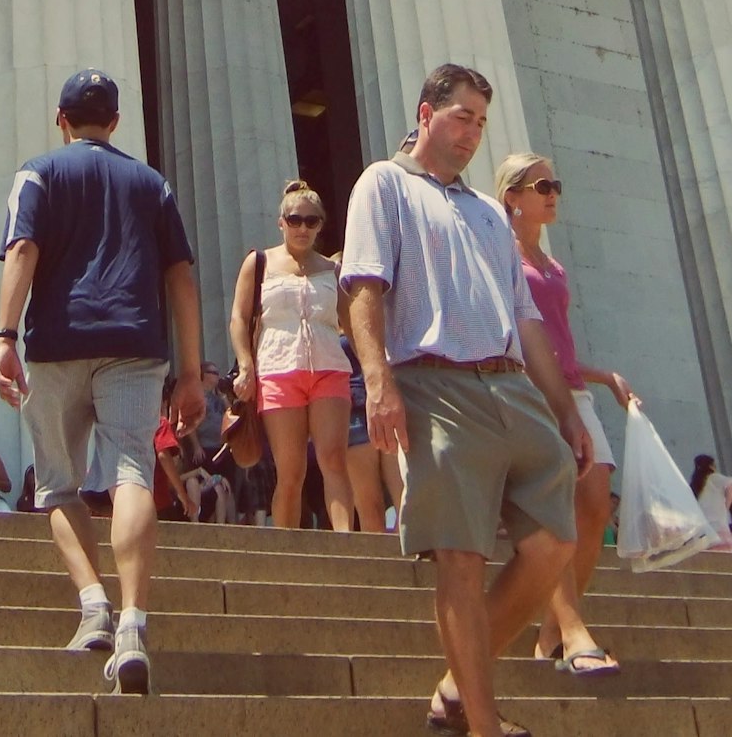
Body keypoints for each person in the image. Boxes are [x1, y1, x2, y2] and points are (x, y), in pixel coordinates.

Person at [341, 62, 591, 737]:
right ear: (427, 113)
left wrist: (565, 406)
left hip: (510, 383)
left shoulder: (488, 212)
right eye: (462, 116)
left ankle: (458, 682)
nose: (473, 132)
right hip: (432, 379)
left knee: (555, 539)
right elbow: (362, 286)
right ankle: (481, 725)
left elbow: (526, 318)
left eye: (482, 120)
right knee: (460, 555)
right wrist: (378, 381)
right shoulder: (385, 183)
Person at [0, 67, 207, 696]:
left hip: (58, 343)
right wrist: (191, 372)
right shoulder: (152, 184)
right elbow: (183, 278)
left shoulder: (38, 172)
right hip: (136, 345)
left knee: (59, 485)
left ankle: (93, 609)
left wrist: (5, 337)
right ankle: (135, 624)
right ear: (115, 123)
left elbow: (23, 250)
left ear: (61, 120)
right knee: (134, 472)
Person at [498, 150, 630, 675]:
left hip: (573, 391)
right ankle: (574, 632)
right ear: (513, 198)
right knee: (554, 509)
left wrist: (603, 376)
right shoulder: (501, 256)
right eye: (541, 186)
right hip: (530, 392)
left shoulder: (553, 265)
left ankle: (551, 635)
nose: (553, 194)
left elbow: (561, 342)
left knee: (596, 504)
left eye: (556, 185)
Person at [229, 178, 355, 531]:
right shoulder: (259, 263)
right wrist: (245, 365)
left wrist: (377, 372)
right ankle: (286, 547)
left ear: (321, 224)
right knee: (291, 471)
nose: (302, 227)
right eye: (295, 219)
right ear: (281, 222)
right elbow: (239, 318)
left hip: (329, 366)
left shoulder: (333, 270)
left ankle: (348, 544)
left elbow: (352, 324)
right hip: (278, 368)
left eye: (311, 220)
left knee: (333, 460)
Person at [341, 334, 403, 533]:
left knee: (405, 502)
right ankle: (384, 563)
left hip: (389, 404)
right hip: (354, 410)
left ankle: (401, 561)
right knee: (371, 508)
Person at [691, 455, 732, 550]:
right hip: (718, 527)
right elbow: (731, 483)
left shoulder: (695, 485)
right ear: (711, 466)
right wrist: (726, 506)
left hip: (702, 530)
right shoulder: (713, 478)